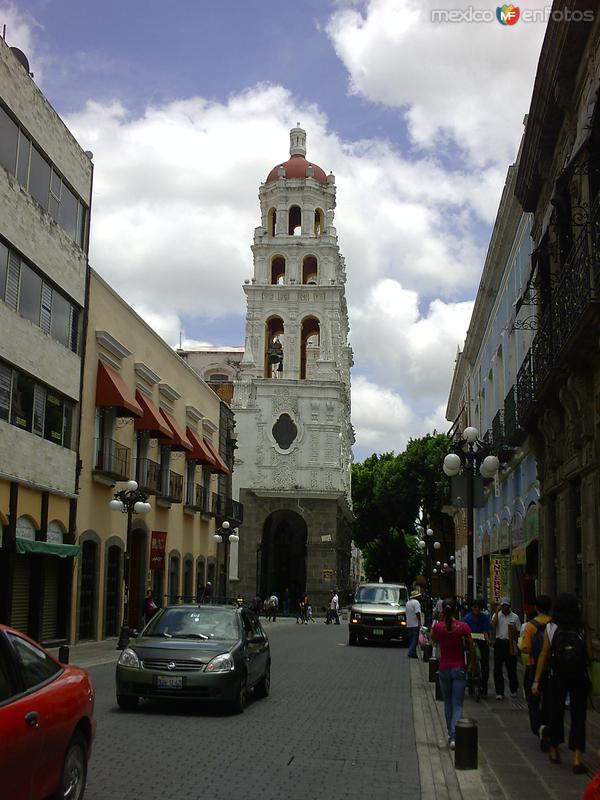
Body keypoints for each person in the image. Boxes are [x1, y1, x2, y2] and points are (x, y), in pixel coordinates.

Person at [532, 592, 592, 773]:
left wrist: (536, 680)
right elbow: (589, 655)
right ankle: (577, 758)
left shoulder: (551, 627)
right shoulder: (583, 628)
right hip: (578, 676)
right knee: (578, 715)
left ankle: (554, 750)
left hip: (557, 675)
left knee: (555, 713)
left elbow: (543, 654)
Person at [431, 598, 476, 749]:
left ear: (442, 610)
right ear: (457, 609)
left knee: (448, 703)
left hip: (444, 668)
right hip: (459, 668)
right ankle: (454, 737)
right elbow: (472, 646)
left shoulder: (438, 627)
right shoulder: (463, 626)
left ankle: (451, 734)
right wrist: (472, 663)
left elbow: (434, 641)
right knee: (457, 704)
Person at [519, 594, 552, 749]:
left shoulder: (531, 626)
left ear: (536, 608)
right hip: (550, 669)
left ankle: (539, 727)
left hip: (533, 667)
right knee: (548, 701)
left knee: (533, 702)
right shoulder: (554, 624)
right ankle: (545, 726)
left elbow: (526, 648)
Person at [491, 597, 520, 699]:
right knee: (498, 668)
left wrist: (517, 645)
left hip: (510, 642)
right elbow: (493, 625)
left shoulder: (515, 617)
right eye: (502, 606)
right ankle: (499, 692)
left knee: (511, 668)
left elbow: (518, 632)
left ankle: (513, 689)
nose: (504, 608)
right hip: (499, 642)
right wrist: (496, 611)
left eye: (506, 606)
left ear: (509, 606)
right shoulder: (497, 615)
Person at [463, 598, 491, 696]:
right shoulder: (467, 618)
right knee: (470, 661)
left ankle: (484, 687)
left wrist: (488, 640)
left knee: (485, 666)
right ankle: (470, 683)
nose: (477, 609)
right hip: (470, 642)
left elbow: (486, 631)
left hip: (482, 641)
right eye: (475, 607)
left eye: (479, 607)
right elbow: (464, 632)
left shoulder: (484, 617)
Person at [405, 589, 422, 659]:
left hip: (409, 623)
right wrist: (419, 621)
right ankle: (411, 651)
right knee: (415, 639)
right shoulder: (416, 602)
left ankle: (413, 653)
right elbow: (417, 612)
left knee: (411, 639)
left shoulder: (408, 603)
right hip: (415, 623)